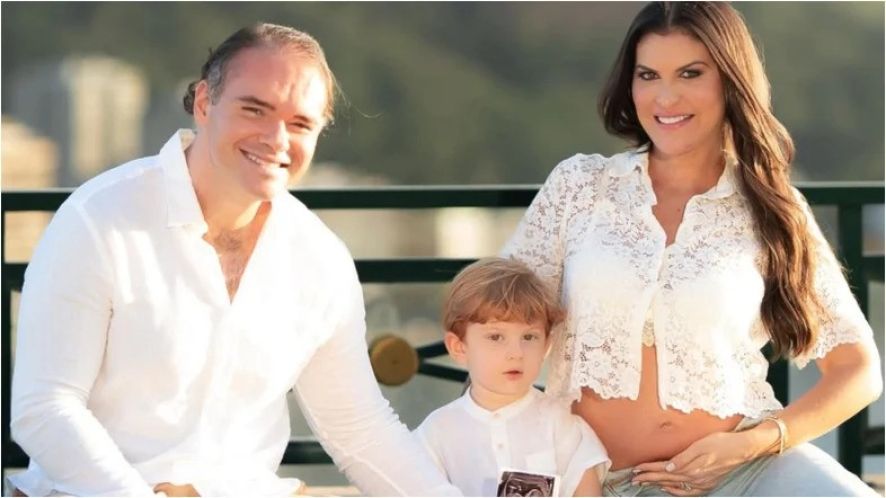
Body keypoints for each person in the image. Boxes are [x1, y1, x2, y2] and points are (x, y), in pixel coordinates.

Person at [9, 23, 460, 497]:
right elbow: (45, 407)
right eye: (254, 109)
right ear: (205, 103)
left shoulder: (320, 257)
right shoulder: (98, 218)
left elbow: (359, 430)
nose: (277, 138)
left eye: (300, 124)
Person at [500, 2, 882, 496]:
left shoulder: (772, 207)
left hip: (746, 473)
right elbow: (492, 317)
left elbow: (857, 370)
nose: (665, 96)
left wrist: (755, 443)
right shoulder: (580, 187)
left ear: (731, 82)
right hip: (592, 481)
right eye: (648, 75)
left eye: (690, 73)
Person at [414, 258, 610, 497]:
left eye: (529, 337)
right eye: (496, 337)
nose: (516, 353)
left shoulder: (561, 424)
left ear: (546, 345)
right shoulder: (437, 432)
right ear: (459, 347)